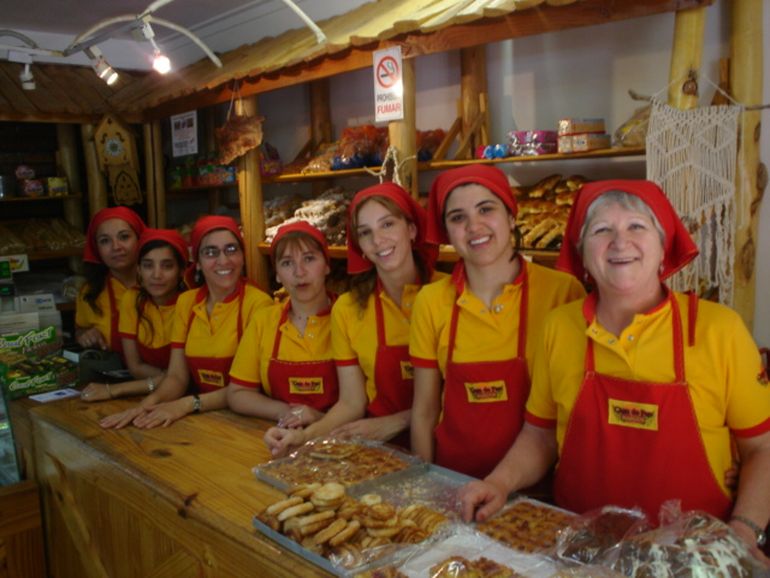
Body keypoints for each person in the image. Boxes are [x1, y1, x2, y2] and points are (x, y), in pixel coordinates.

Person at [459, 179, 770, 560]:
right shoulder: (560, 327)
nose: (620, 242)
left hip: (695, 557)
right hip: (577, 550)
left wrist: (745, 529)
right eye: (602, 230)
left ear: (662, 249)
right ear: (583, 256)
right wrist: (499, 483)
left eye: (636, 227)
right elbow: (540, 435)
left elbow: (762, 448)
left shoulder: (718, 330)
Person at [409, 165, 585, 479]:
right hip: (454, 482)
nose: (474, 226)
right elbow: (424, 411)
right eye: (458, 217)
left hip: (541, 490)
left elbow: (573, 410)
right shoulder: (431, 301)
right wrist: (426, 486)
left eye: (486, 210)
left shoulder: (563, 292)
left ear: (511, 217)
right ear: (447, 232)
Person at [264, 182, 440, 456]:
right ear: (359, 246)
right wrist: (303, 437)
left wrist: (395, 422)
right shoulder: (348, 308)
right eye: (365, 233)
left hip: (448, 450)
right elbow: (351, 402)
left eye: (388, 225)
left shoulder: (448, 295)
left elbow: (465, 396)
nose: (378, 240)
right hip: (380, 453)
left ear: (412, 229)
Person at [100, 215, 273, 429]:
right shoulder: (187, 302)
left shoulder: (259, 305)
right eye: (210, 252)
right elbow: (176, 376)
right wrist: (145, 406)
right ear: (197, 262)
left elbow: (247, 389)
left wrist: (187, 404)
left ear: (243, 257)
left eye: (231, 249)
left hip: (248, 421)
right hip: (202, 417)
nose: (223, 260)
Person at [228, 221, 337, 425]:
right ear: (277, 274)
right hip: (280, 438)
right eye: (287, 263)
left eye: (309, 259)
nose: (299, 272)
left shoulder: (348, 316)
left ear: (327, 266)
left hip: (344, 443)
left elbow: (361, 403)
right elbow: (238, 393)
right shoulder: (264, 320)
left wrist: (318, 419)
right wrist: (289, 413)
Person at [80, 228, 188, 402]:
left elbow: (184, 377)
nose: (156, 275)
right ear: (138, 270)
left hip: (186, 398)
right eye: (148, 265)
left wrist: (113, 390)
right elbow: (135, 367)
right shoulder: (132, 299)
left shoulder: (191, 304)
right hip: (151, 392)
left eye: (167, 266)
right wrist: (166, 379)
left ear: (182, 271)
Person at [75, 206, 146, 353]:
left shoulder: (161, 282)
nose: (116, 247)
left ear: (140, 239)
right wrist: (84, 335)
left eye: (124, 237)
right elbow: (80, 328)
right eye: (105, 241)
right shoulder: (89, 292)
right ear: (97, 249)